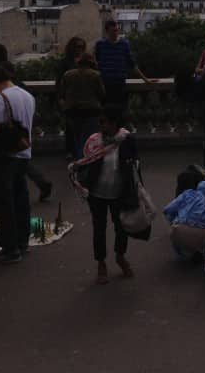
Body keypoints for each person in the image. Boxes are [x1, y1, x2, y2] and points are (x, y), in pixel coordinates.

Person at [69, 112, 140, 285]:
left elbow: (135, 164)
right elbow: (85, 159)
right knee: (99, 229)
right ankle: (101, 264)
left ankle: (120, 256)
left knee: (122, 227)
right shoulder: (94, 141)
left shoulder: (126, 140)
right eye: (100, 122)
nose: (101, 126)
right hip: (97, 193)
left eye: (105, 122)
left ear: (115, 123)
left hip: (119, 192)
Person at [0, 66, 36, 265]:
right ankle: (22, 241)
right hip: (24, 153)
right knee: (20, 198)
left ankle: (10, 249)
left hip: (4, 157)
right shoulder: (28, 96)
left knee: (3, 203)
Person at [0, 45, 52, 201]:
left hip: (3, 124)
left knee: (8, 166)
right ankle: (41, 184)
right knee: (22, 160)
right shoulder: (15, 81)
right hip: (20, 124)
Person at [95, 19, 157, 121]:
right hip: (104, 83)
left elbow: (132, 64)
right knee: (106, 112)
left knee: (119, 111)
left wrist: (145, 79)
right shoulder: (100, 45)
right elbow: (96, 64)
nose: (115, 33)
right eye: (113, 31)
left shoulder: (124, 44)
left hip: (119, 82)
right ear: (107, 32)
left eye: (116, 30)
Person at [58, 53, 106, 161]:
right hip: (91, 111)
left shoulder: (68, 74)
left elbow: (62, 93)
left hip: (72, 111)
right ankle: (85, 160)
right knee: (89, 138)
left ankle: (78, 160)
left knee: (76, 137)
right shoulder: (95, 75)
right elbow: (102, 94)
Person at [163, 179, 205, 262]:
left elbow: (167, 209)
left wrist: (173, 219)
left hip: (179, 230)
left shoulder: (188, 194)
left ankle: (181, 252)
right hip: (204, 235)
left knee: (173, 218)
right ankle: (203, 251)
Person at [56, 36, 87, 159]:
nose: (79, 49)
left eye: (81, 47)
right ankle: (70, 150)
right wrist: (60, 98)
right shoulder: (65, 62)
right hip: (70, 98)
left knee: (83, 126)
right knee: (70, 126)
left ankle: (81, 150)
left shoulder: (86, 61)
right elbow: (59, 81)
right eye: (77, 47)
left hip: (84, 98)